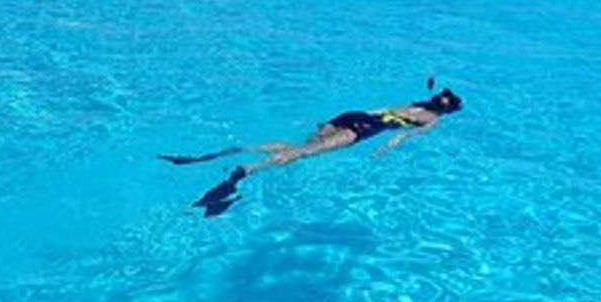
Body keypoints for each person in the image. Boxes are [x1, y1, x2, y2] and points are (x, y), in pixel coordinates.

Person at [165, 88, 463, 217]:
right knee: (301, 154)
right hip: (360, 130)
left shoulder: (417, 104)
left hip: (350, 116)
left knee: (293, 146)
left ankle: (213, 155)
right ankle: (243, 173)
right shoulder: (431, 119)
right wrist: (383, 151)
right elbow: (402, 137)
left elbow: (377, 111)